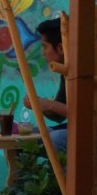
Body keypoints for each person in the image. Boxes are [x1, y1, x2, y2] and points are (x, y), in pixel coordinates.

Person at [23, 17, 67, 155]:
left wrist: (49, 104)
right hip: (69, 128)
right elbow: (59, 116)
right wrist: (38, 104)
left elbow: (84, 114)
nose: (43, 53)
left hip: (92, 133)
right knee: (23, 139)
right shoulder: (65, 73)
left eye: (44, 46)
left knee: (56, 139)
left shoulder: (87, 71)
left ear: (60, 48)